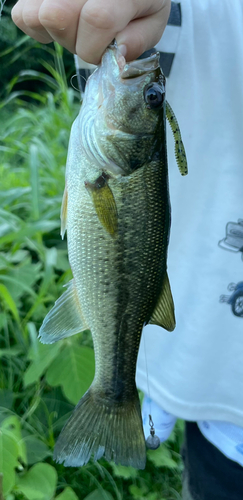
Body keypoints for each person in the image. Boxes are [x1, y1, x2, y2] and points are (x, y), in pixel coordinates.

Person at [12, 1, 243, 499]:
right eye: (153, 96)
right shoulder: (185, 17)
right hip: (222, 436)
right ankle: (115, 397)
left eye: (153, 94)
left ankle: (113, 399)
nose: (149, 85)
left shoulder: (105, 166)